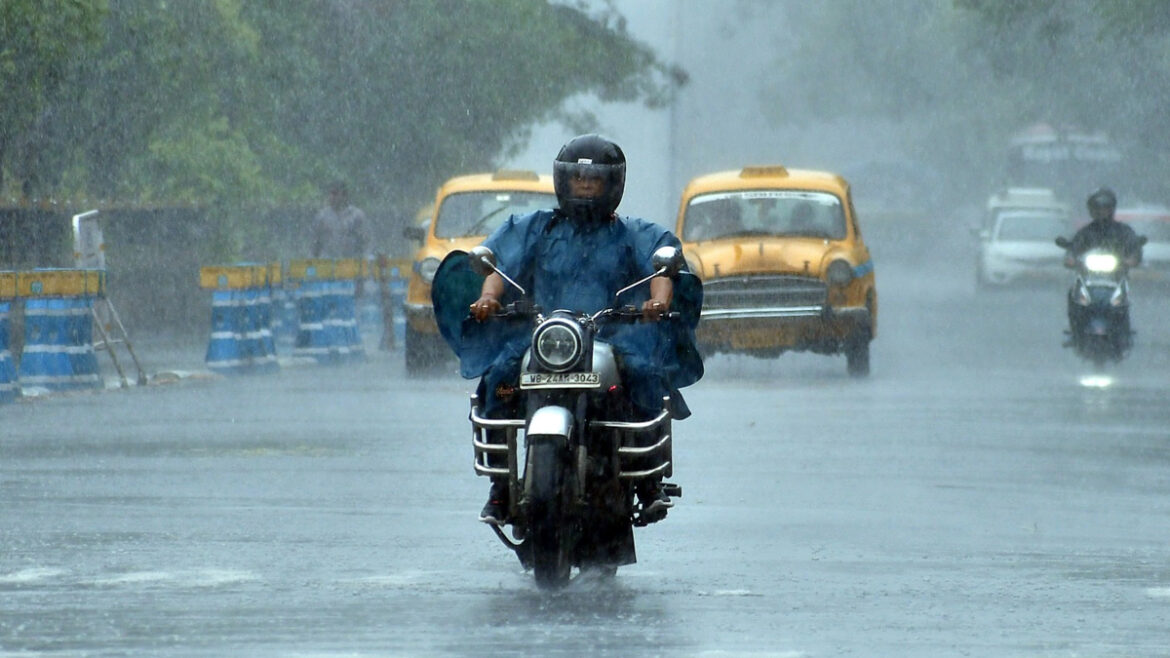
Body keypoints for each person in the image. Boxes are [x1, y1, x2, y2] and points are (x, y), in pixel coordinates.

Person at [466, 134, 703, 525]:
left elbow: (661, 268)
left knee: (645, 376)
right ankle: (500, 485)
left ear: (613, 184)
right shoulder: (536, 228)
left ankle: (648, 480)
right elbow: (497, 266)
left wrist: (657, 302)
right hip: (546, 335)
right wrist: (489, 298)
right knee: (498, 379)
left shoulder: (632, 233)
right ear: (563, 181)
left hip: (612, 335)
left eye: (594, 180)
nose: (586, 186)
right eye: (578, 178)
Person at [1063, 187, 1144, 340]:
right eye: (1098, 208)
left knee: (1122, 300)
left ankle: (1123, 331)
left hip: (1115, 279)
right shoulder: (1085, 233)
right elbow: (1073, 250)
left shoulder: (1123, 232)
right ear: (1091, 210)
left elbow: (1135, 250)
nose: (1101, 212)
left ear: (1112, 209)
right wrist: (1071, 259)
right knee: (1073, 294)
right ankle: (1075, 331)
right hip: (1088, 279)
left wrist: (1131, 259)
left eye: (1105, 207)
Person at [312, 180, 370, 260]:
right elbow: (316, 243)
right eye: (330, 193)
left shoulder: (356, 216)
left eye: (335, 194)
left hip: (351, 264)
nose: (331, 197)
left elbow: (365, 242)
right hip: (327, 264)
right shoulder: (322, 217)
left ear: (344, 195)